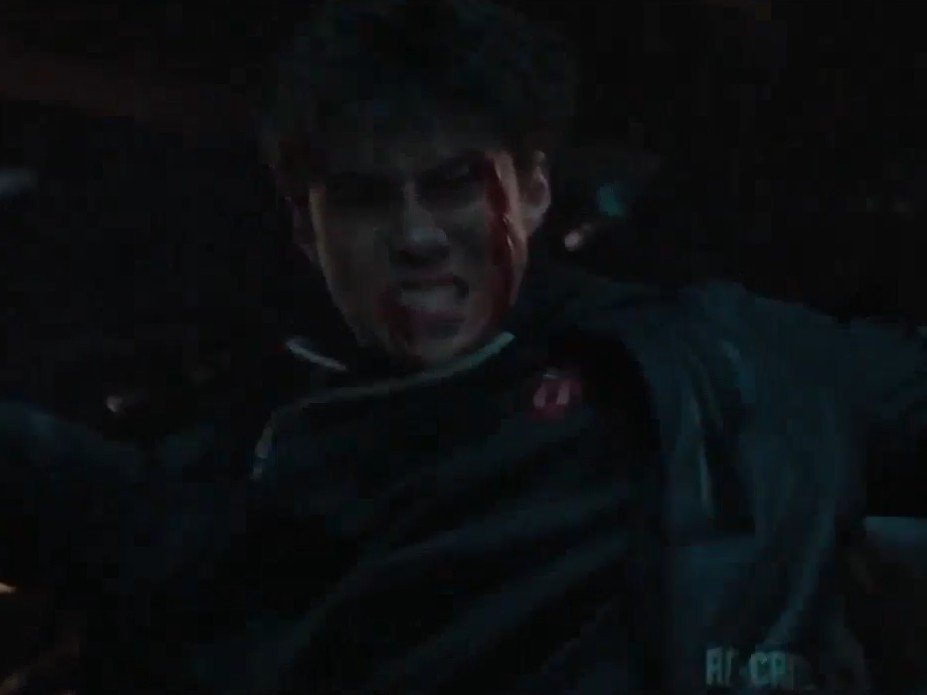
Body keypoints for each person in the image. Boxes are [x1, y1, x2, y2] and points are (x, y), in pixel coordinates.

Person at [0, 0, 925, 693]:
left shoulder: (721, 362)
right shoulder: (247, 462)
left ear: (531, 191)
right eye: (365, 199)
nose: (415, 237)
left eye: (453, 185)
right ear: (307, 231)